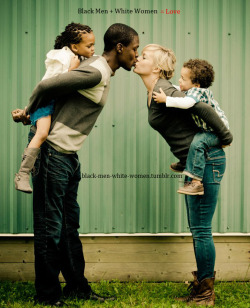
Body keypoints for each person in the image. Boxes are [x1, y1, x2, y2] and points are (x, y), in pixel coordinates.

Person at [12, 23, 139, 306]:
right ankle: (46, 296)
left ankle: (77, 288)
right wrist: (28, 112)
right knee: (50, 226)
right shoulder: (96, 71)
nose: (137, 55)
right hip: (51, 153)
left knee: (69, 227)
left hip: (68, 156)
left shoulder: (96, 67)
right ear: (120, 48)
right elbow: (46, 85)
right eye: (134, 49)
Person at [134, 44, 233, 306]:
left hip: (208, 160)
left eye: (143, 56)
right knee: (197, 228)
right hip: (197, 162)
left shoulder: (166, 90)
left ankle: (205, 293)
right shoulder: (155, 91)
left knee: (201, 229)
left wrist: (224, 136)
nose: (136, 58)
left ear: (156, 67)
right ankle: (201, 286)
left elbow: (204, 109)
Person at [13, 22, 95, 193]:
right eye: (89, 45)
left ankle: (25, 115)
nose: (93, 49)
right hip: (45, 101)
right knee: (42, 133)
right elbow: (49, 85)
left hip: (51, 102)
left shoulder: (79, 57)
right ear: (74, 46)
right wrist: (71, 72)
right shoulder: (62, 58)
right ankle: (22, 174)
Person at [153, 59, 230, 195]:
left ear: (196, 84)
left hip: (215, 132)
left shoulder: (197, 93)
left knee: (198, 142)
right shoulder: (193, 90)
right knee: (197, 140)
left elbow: (186, 103)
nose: (179, 81)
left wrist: (166, 100)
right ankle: (187, 163)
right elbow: (178, 90)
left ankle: (196, 183)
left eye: (183, 79)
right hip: (208, 130)